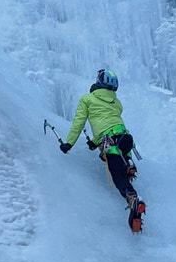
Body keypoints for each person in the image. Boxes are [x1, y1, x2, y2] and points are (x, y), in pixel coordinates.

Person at [59, 69, 146, 231]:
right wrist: (94, 142)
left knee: (118, 177)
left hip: (108, 141)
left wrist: (69, 143)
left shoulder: (87, 99)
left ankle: (133, 198)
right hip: (124, 137)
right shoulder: (117, 102)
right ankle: (128, 163)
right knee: (121, 160)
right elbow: (109, 120)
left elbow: (79, 123)